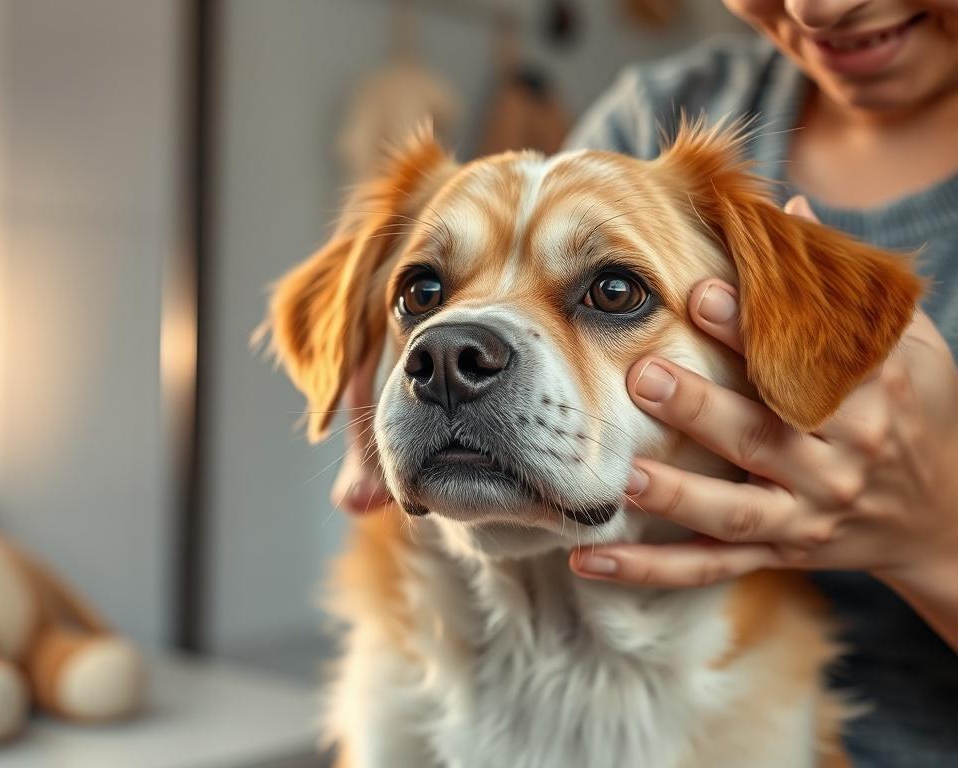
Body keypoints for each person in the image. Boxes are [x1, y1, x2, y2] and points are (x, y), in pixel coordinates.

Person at [331, 3, 958, 764]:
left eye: (613, 293)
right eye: (425, 294)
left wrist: (937, 546)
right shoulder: (649, 112)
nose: (817, 7)